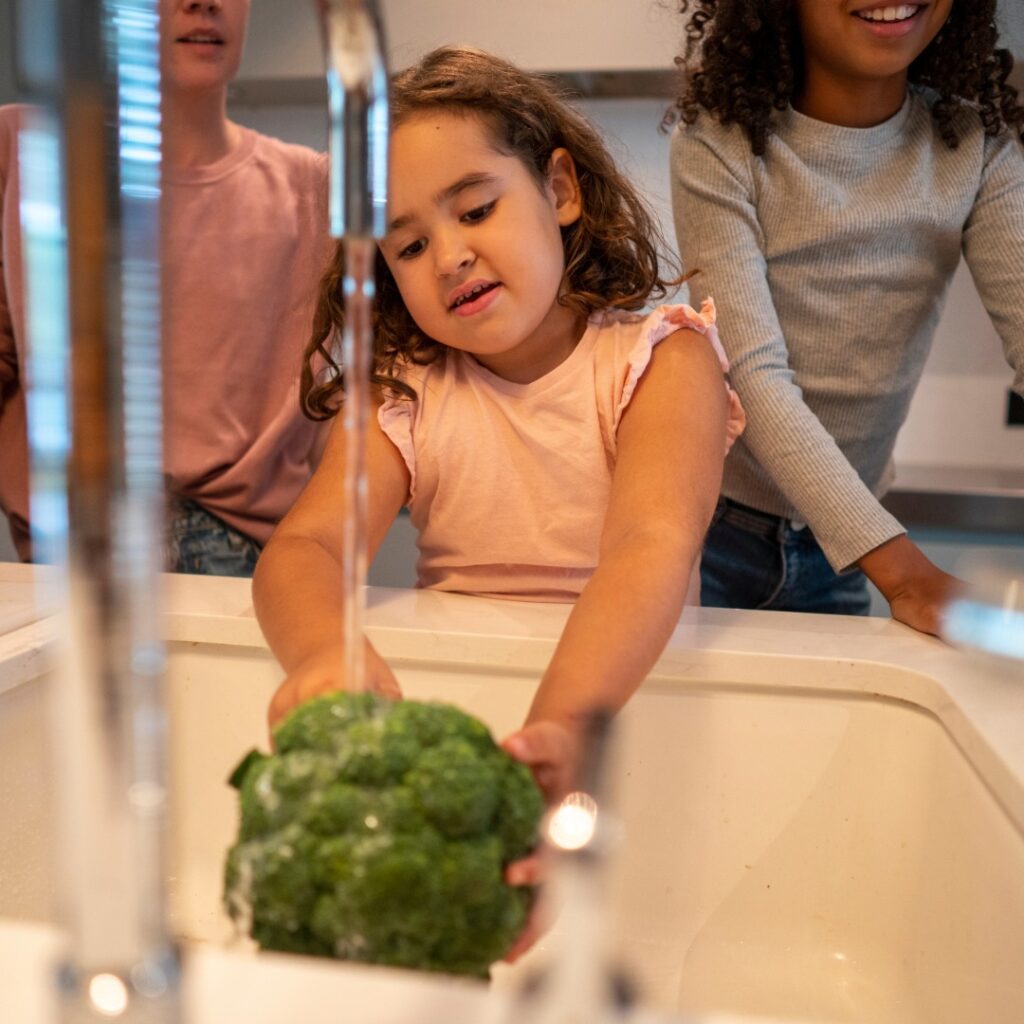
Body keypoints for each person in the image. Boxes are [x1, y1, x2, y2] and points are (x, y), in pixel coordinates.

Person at [253, 46, 745, 801]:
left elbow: (650, 548)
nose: (449, 256)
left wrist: (560, 727)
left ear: (559, 188)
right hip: (465, 705)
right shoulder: (400, 393)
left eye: (476, 209)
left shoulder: (662, 361)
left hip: (631, 719)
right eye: (410, 246)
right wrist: (325, 655)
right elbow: (308, 546)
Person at [668, 0, 1024, 634]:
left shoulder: (976, 147)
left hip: (850, 546)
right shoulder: (719, 144)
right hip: (705, 531)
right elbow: (755, 376)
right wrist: (908, 576)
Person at [0, 0, 332, 574]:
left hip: (254, 548)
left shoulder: (315, 189)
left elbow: (358, 391)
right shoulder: (29, 151)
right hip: (78, 538)